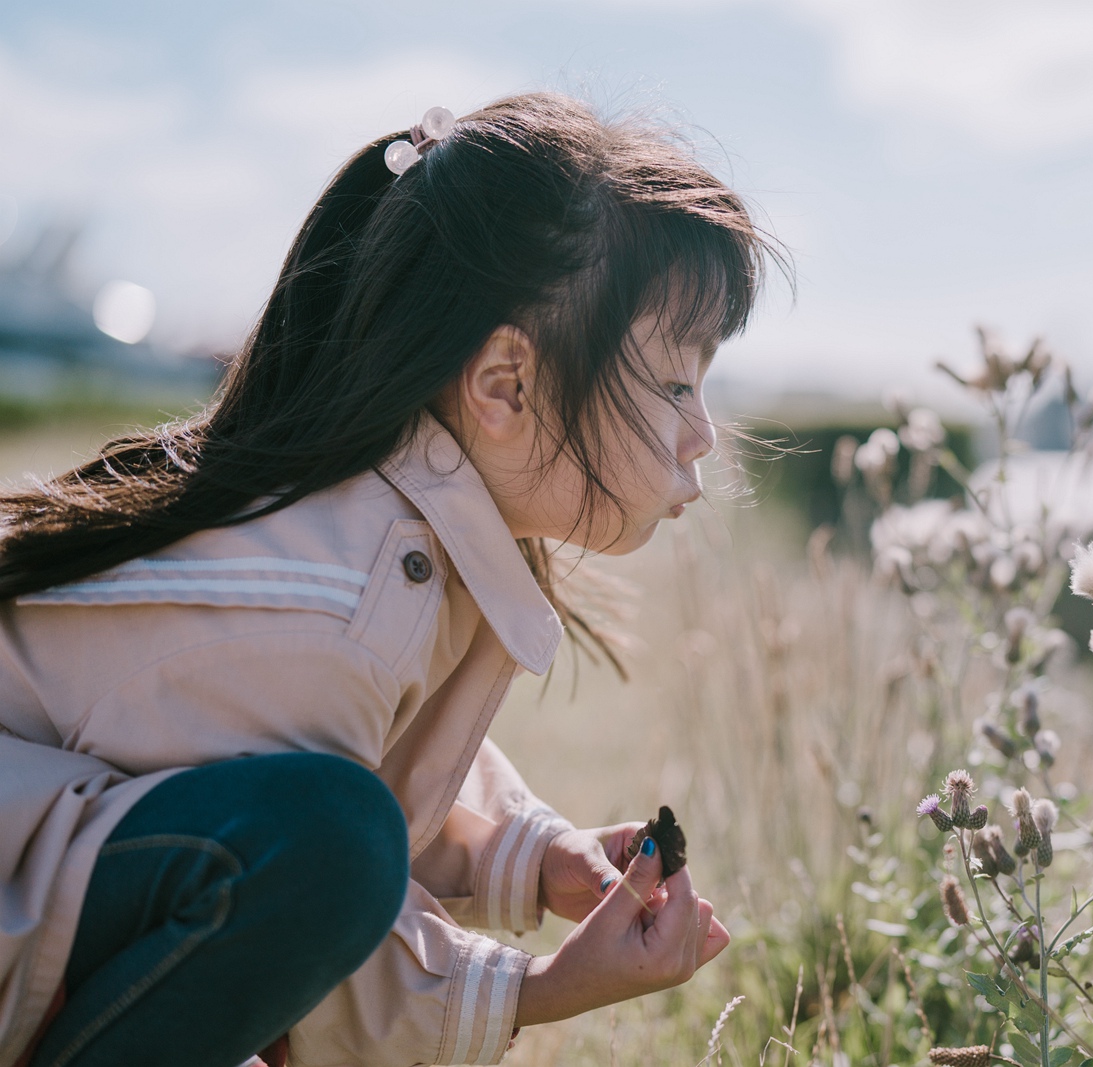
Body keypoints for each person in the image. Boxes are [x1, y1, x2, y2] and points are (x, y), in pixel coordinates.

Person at [0, 92, 776, 1067]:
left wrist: (532, 855)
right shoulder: (335, 605)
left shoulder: (400, 533)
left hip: (47, 880)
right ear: (505, 386)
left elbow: (383, 767)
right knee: (326, 847)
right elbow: (322, 870)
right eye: (673, 382)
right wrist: (536, 988)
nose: (702, 430)